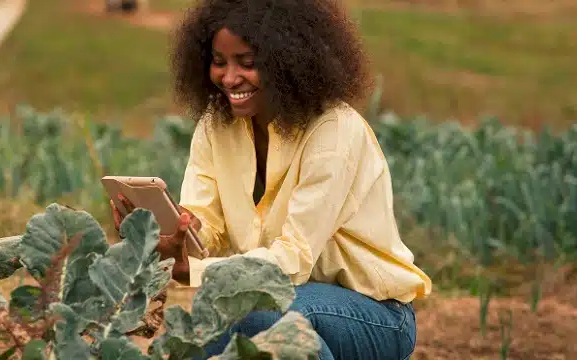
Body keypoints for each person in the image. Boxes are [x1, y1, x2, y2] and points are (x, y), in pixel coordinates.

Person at [109, 0, 433, 359]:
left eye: (247, 63)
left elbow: (293, 260)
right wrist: (173, 237)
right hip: (275, 300)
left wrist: (198, 271)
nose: (230, 78)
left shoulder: (334, 131)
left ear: (287, 60)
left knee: (266, 318)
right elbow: (208, 226)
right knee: (195, 348)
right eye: (219, 62)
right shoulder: (215, 127)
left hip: (374, 314)